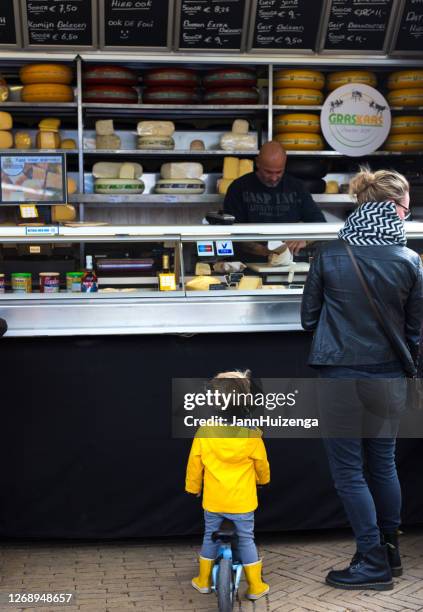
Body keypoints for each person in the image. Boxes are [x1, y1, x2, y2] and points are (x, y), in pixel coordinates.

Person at [301, 167, 423, 590]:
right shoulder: (410, 260)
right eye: (406, 208)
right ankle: (390, 556)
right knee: (384, 465)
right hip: (389, 377)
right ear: (392, 207)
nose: (407, 215)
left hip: (341, 376)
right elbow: (414, 331)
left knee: (350, 473)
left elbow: (308, 319)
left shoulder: (330, 254)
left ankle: (370, 562)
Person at [185, 370, 270, 600]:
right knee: (246, 540)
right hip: (243, 502)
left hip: (213, 500)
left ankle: (203, 581)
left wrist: (193, 488)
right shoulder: (252, 435)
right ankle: (255, 587)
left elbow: (195, 464)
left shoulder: (204, 432)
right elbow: (262, 465)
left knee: (209, 536)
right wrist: (263, 481)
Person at [223, 141, 326, 256]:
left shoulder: (297, 187)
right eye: (268, 172)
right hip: (249, 262)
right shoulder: (238, 188)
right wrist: (262, 251)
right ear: (257, 163)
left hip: (289, 260)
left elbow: (320, 224)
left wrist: (304, 238)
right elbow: (231, 231)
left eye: (279, 172)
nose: (273, 178)